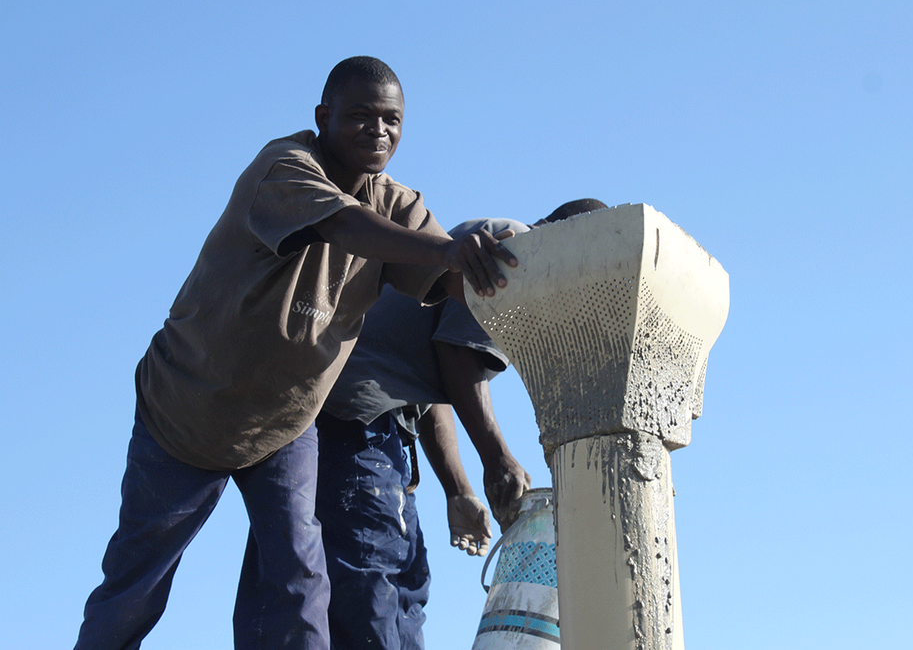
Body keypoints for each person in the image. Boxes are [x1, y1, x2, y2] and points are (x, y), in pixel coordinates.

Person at [73, 56, 517, 650]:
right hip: (188, 409)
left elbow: (446, 279)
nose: (378, 131)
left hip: (284, 422)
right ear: (323, 117)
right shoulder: (285, 168)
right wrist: (445, 251)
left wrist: (512, 272)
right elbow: (349, 228)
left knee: (300, 577)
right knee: (136, 583)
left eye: (392, 120)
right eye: (361, 116)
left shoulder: (400, 204)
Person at [316, 200, 608, 650]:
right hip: (356, 420)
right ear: (562, 233)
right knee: (372, 579)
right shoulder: (519, 249)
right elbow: (457, 358)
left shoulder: (505, 249)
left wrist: (459, 490)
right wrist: (498, 460)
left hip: (379, 424)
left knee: (406, 581)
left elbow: (437, 386)